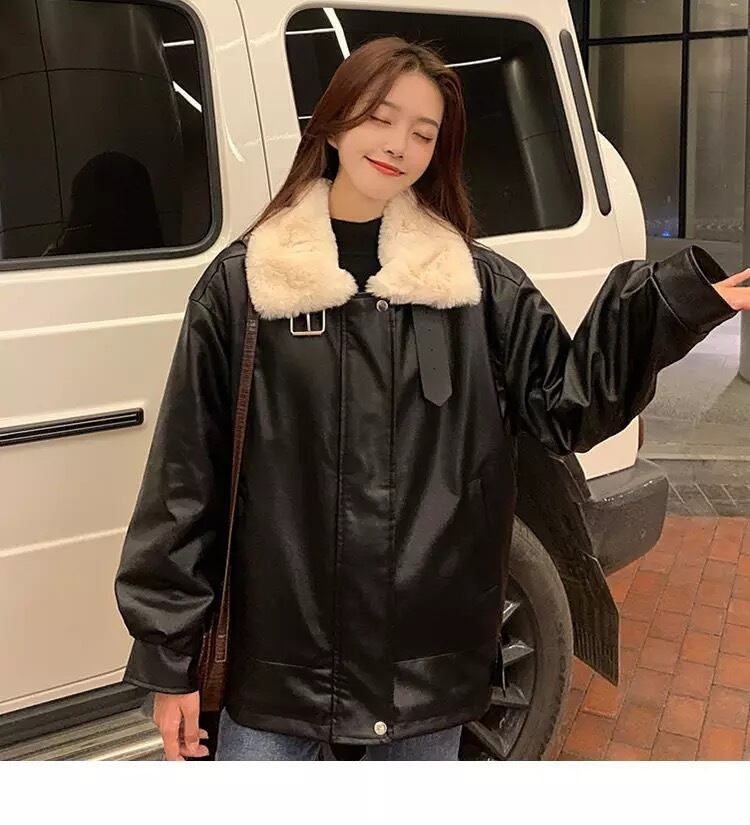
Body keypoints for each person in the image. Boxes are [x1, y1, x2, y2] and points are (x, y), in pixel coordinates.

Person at [113, 36, 749, 762]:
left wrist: (670, 306)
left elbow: (569, 406)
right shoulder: (246, 286)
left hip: (426, 668)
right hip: (278, 668)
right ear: (334, 122)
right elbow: (184, 481)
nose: (399, 145)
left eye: (424, 132)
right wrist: (170, 662)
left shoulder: (477, 288)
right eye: (381, 117)